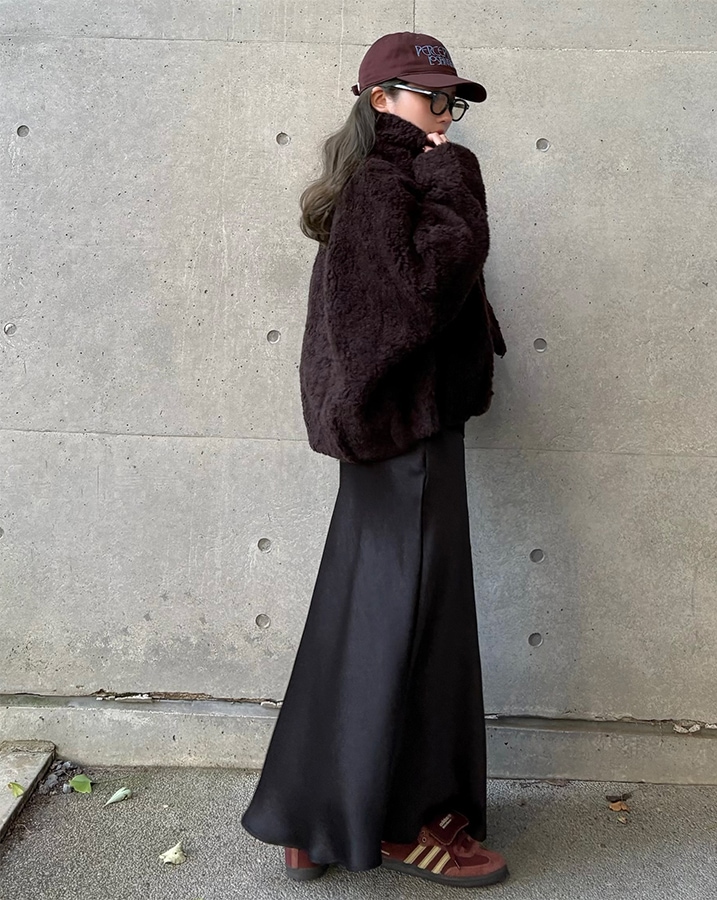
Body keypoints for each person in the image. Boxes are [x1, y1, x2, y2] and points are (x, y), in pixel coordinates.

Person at [241, 31, 509, 888]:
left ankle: (316, 817)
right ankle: (402, 824)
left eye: (453, 100)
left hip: (397, 434)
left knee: (368, 621)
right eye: (433, 97)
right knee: (413, 627)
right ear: (380, 98)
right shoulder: (392, 181)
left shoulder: (383, 180)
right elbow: (416, 300)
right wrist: (453, 181)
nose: (446, 114)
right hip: (407, 436)